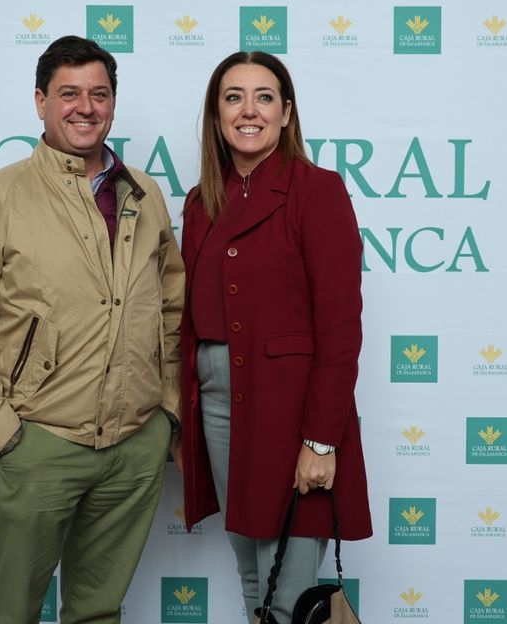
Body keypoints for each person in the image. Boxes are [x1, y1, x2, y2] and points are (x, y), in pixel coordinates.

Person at [0, 35, 185, 624]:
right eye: (69, 93)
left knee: (98, 613)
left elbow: (173, 309)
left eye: (99, 94)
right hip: (39, 442)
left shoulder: (144, 193)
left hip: (134, 445)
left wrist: (167, 412)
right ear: (41, 101)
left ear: (113, 104)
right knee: (10, 613)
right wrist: (0, 431)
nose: (85, 107)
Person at [179, 51, 372, 623]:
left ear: (286, 113)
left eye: (264, 97)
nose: (249, 111)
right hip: (217, 400)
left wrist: (321, 440)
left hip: (289, 405)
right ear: (216, 115)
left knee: (287, 589)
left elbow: (340, 326)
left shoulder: (317, 190)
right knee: (251, 573)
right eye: (233, 97)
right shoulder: (201, 203)